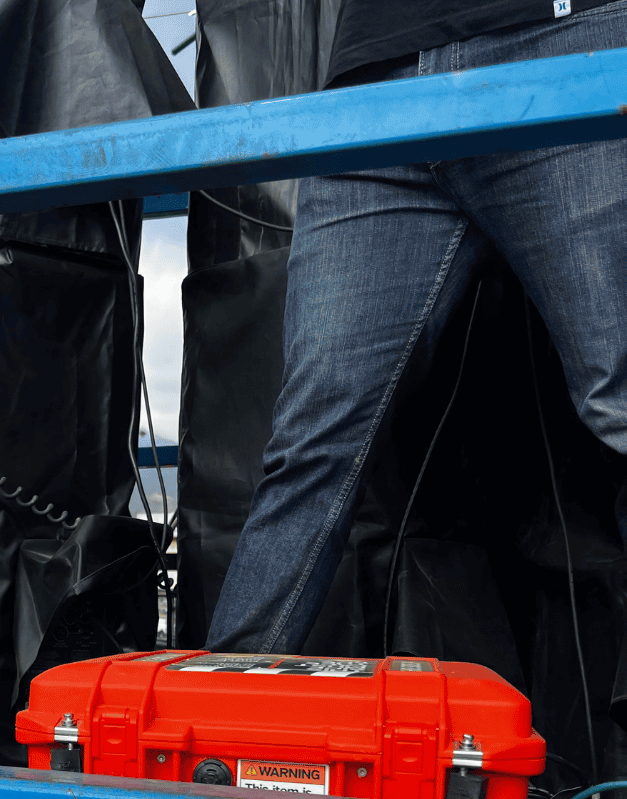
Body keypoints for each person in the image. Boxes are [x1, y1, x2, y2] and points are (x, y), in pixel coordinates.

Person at [206, 0, 627, 653]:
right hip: (374, 79)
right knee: (312, 442)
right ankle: (213, 727)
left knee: (619, 402)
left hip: (561, 39)